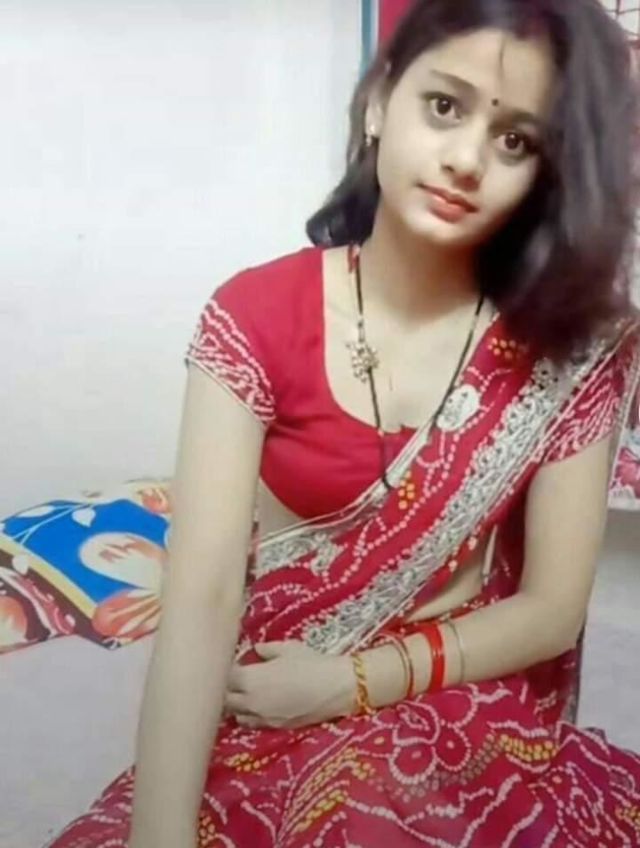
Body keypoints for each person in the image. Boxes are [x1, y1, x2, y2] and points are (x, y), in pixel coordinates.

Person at [48, 1, 640, 846]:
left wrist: (355, 682)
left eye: (516, 141)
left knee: (371, 808)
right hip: (269, 689)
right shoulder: (254, 316)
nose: (467, 158)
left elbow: (552, 609)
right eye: (445, 105)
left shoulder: (566, 348)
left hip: (452, 701)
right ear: (379, 102)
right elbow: (205, 595)